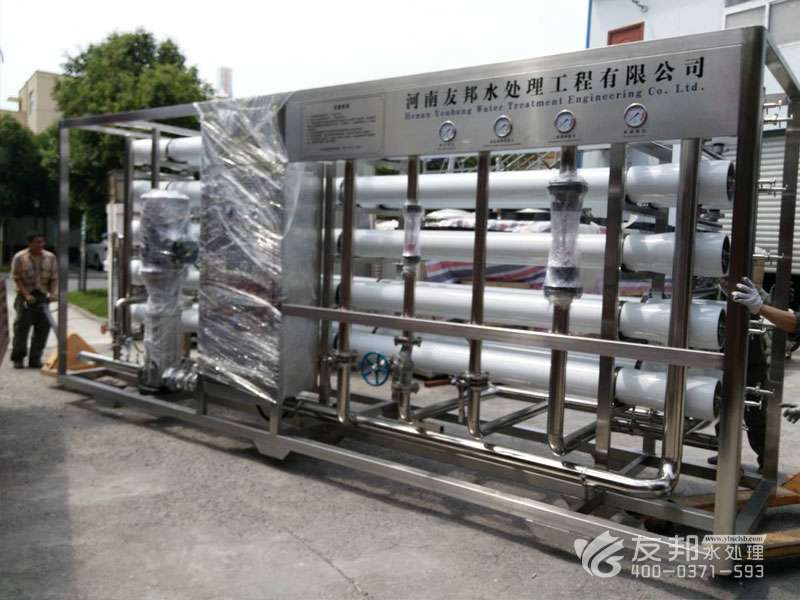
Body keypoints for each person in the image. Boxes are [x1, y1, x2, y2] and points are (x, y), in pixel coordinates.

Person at [731, 277, 800, 428]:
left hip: (759, 371)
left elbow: (795, 327)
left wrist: (764, 306)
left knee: (757, 423)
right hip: (742, 368)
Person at [10, 233, 58, 369]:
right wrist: (26, 295)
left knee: (42, 329)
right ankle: (18, 358)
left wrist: (52, 293)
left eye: (42, 242)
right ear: (29, 243)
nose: (40, 245)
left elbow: (54, 278)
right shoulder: (20, 257)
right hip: (25, 297)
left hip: (42, 297)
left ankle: (35, 359)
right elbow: (16, 278)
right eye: (36, 242)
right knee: (21, 329)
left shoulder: (50, 257)